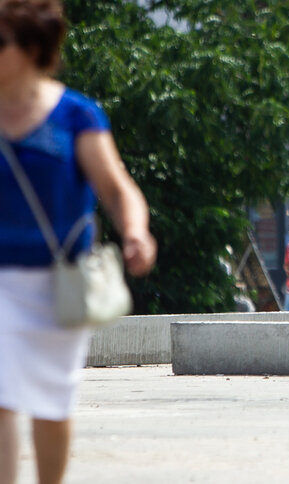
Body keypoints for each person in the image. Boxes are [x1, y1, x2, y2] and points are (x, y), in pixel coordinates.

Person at [0, 1, 158, 482]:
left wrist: (135, 231)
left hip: (58, 285)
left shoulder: (75, 115)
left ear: (30, 48)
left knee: (51, 403)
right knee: (2, 396)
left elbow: (116, 188)